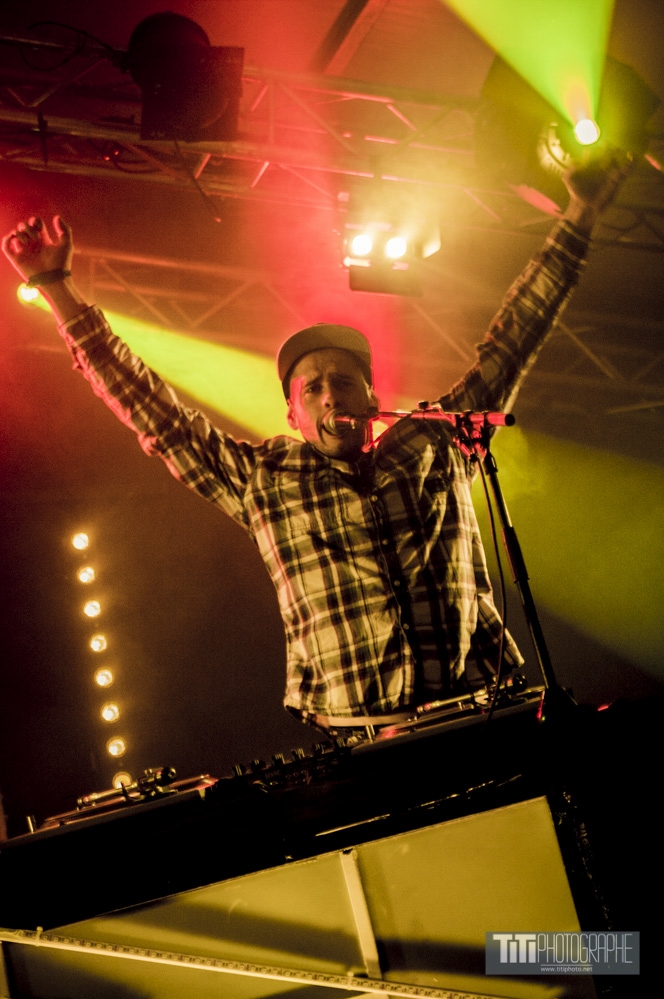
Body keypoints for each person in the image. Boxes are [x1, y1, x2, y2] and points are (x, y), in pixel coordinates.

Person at [3, 153, 631, 728]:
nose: (331, 396)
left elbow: (515, 338)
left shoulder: (434, 443)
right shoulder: (263, 479)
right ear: (292, 415)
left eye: (344, 382)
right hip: (360, 739)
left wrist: (580, 212)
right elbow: (153, 412)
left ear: (370, 396)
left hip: (485, 713)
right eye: (313, 389)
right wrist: (56, 287)